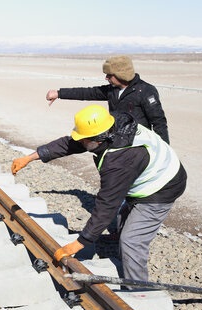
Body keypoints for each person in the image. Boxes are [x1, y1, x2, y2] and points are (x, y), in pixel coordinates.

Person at [11, 105, 187, 284]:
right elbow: (69, 143)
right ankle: (120, 249)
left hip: (163, 186)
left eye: (84, 139)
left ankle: (140, 291)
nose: (80, 142)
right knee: (123, 217)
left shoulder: (119, 162)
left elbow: (107, 204)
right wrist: (31, 157)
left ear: (99, 139)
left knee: (131, 241)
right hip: (149, 172)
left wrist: (80, 243)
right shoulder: (110, 126)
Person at [45, 55, 170, 144]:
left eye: (109, 75)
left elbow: (159, 122)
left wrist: (165, 150)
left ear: (121, 74)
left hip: (137, 144)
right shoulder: (112, 90)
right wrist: (59, 93)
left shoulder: (145, 91)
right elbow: (87, 93)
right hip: (116, 140)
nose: (106, 78)